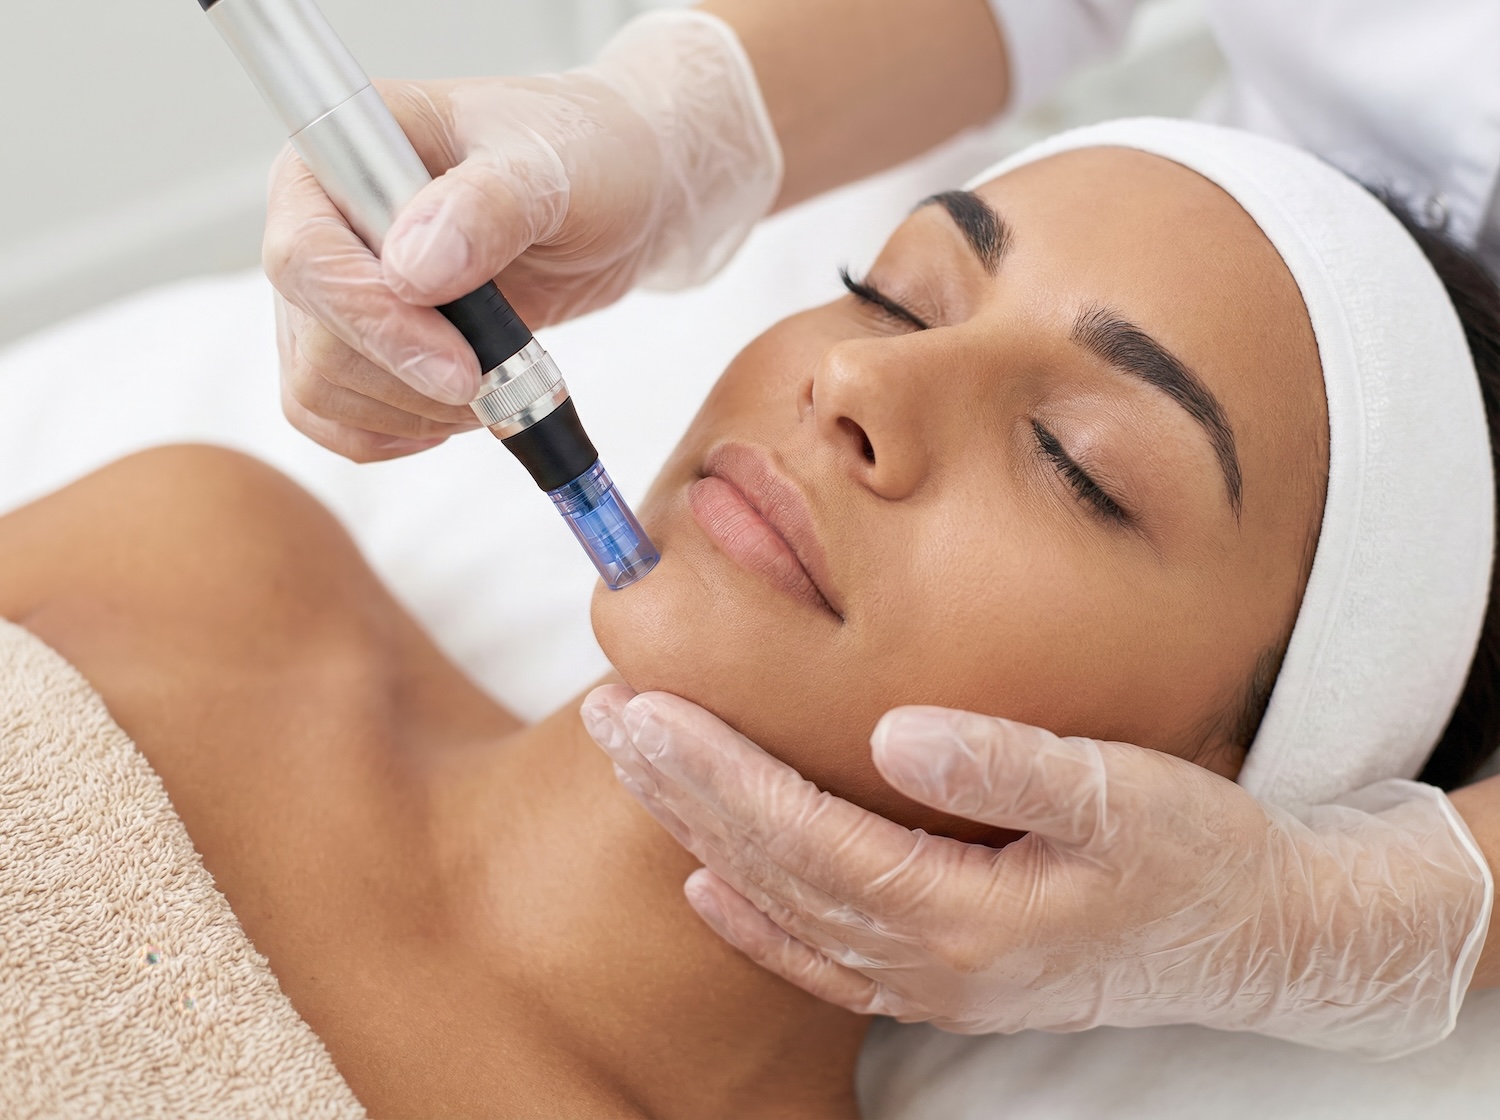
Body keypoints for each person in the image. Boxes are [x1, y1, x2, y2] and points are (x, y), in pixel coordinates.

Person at [4, 121, 1493, 1113]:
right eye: (894, 294)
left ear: (1217, 803)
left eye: (1076, 467)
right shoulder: (200, 557)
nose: (856, 384)